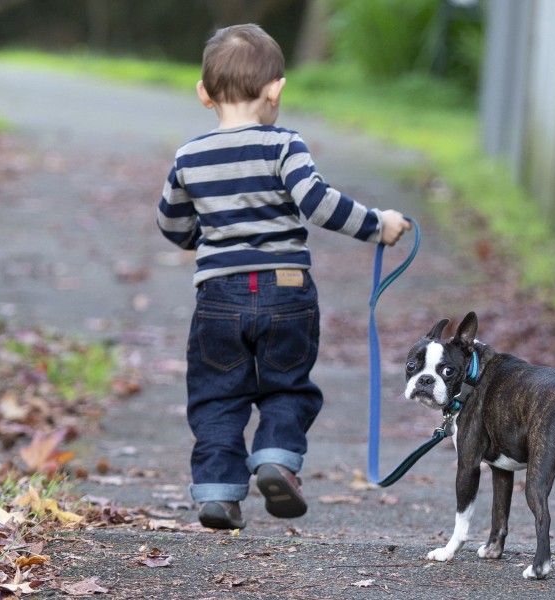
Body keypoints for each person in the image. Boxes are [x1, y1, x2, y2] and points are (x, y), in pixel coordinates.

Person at [156, 23, 412, 530]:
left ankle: (218, 493)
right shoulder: (284, 145)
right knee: (287, 387)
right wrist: (377, 225)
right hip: (286, 291)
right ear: (276, 90)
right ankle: (275, 458)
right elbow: (317, 204)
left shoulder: (189, 156)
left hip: (218, 298)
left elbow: (172, 223)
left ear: (204, 94)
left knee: (217, 395)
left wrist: (202, 243)